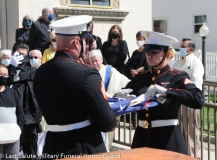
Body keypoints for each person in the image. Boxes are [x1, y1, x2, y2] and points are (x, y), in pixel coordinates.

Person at [33, 15, 117, 159]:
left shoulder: (40, 72)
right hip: (83, 146)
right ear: (77, 41)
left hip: (52, 145)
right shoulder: (86, 73)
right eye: (86, 40)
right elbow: (107, 122)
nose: (87, 45)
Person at [119, 31, 204, 155]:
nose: (149, 56)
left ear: (167, 54)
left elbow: (198, 99)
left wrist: (166, 92)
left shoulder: (177, 76)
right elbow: (123, 96)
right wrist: (119, 98)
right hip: (142, 137)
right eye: (147, 52)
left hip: (167, 139)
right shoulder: (141, 77)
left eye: (154, 52)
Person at [88, 49, 130, 151]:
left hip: (108, 112)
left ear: (102, 60)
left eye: (96, 60)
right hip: (93, 113)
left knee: (106, 143)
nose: (95, 63)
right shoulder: (87, 73)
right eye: (92, 61)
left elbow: (126, 83)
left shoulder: (110, 71)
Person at [8, 42, 42, 160]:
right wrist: (11, 67)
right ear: (13, 54)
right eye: (18, 54)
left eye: (23, 55)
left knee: (31, 153)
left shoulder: (32, 71)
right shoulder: (5, 70)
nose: (20, 57)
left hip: (29, 118)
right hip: (10, 118)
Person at [173, 38, 204, 159]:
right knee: (178, 128)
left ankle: (193, 156)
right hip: (177, 100)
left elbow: (196, 83)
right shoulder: (177, 62)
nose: (181, 48)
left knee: (190, 130)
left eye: (183, 46)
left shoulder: (196, 63)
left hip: (189, 100)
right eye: (180, 46)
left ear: (190, 49)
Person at [0, 64, 24, 160]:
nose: (3, 76)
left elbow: (19, 113)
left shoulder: (13, 92)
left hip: (12, 138)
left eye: (5, 75)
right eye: (0, 74)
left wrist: (19, 129)